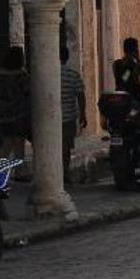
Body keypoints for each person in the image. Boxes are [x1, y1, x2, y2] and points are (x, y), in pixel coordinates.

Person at [0, 46, 31, 179]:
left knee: (6, 144)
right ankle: (19, 172)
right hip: (18, 114)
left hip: (3, 114)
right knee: (19, 144)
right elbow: (27, 91)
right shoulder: (21, 75)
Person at [60, 46, 85, 185]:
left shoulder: (47, 74)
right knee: (66, 148)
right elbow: (81, 96)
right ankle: (64, 173)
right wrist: (83, 115)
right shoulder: (73, 75)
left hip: (50, 119)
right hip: (68, 117)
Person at [112, 37, 140, 103]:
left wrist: (138, 66)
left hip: (136, 100)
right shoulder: (118, 64)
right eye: (136, 50)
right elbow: (123, 81)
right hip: (124, 102)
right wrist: (130, 68)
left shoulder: (137, 64)